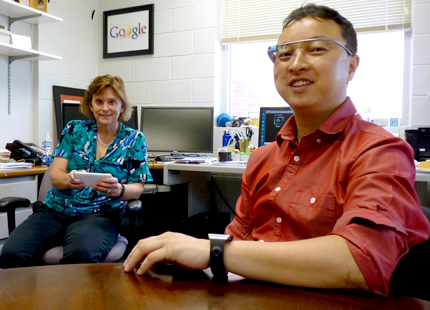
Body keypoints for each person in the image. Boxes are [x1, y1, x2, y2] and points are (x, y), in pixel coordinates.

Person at [123, 4, 430, 297]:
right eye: (284, 53)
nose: (296, 63)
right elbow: (237, 244)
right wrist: (195, 260)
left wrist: (212, 250)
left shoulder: (380, 151)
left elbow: (363, 263)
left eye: (317, 49)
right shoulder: (262, 158)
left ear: (352, 65)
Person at [0, 74, 152, 268]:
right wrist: (68, 180)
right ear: (90, 105)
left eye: (112, 102)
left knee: (80, 255)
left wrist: (119, 190)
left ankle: (74, 299)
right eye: (99, 101)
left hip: (100, 214)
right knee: (12, 255)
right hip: (55, 211)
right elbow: (56, 176)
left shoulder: (135, 139)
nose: (105, 108)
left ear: (122, 106)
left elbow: (137, 187)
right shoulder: (74, 130)